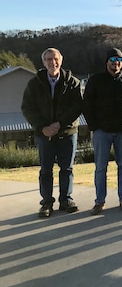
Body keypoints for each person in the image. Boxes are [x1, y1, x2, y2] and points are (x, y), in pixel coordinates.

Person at [21, 48, 83, 218]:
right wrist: (43, 127)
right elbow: (27, 108)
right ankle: (47, 203)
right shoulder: (34, 84)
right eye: (48, 59)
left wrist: (59, 124)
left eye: (55, 58)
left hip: (68, 132)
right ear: (43, 62)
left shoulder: (73, 82)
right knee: (46, 170)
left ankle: (66, 200)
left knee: (67, 168)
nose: (52, 62)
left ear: (60, 61)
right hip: (44, 134)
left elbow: (77, 107)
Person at [83, 48, 122, 215]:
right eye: (112, 59)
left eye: (119, 60)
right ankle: (100, 201)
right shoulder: (95, 80)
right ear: (107, 62)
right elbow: (87, 105)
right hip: (102, 131)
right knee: (101, 167)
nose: (116, 63)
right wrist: (94, 126)